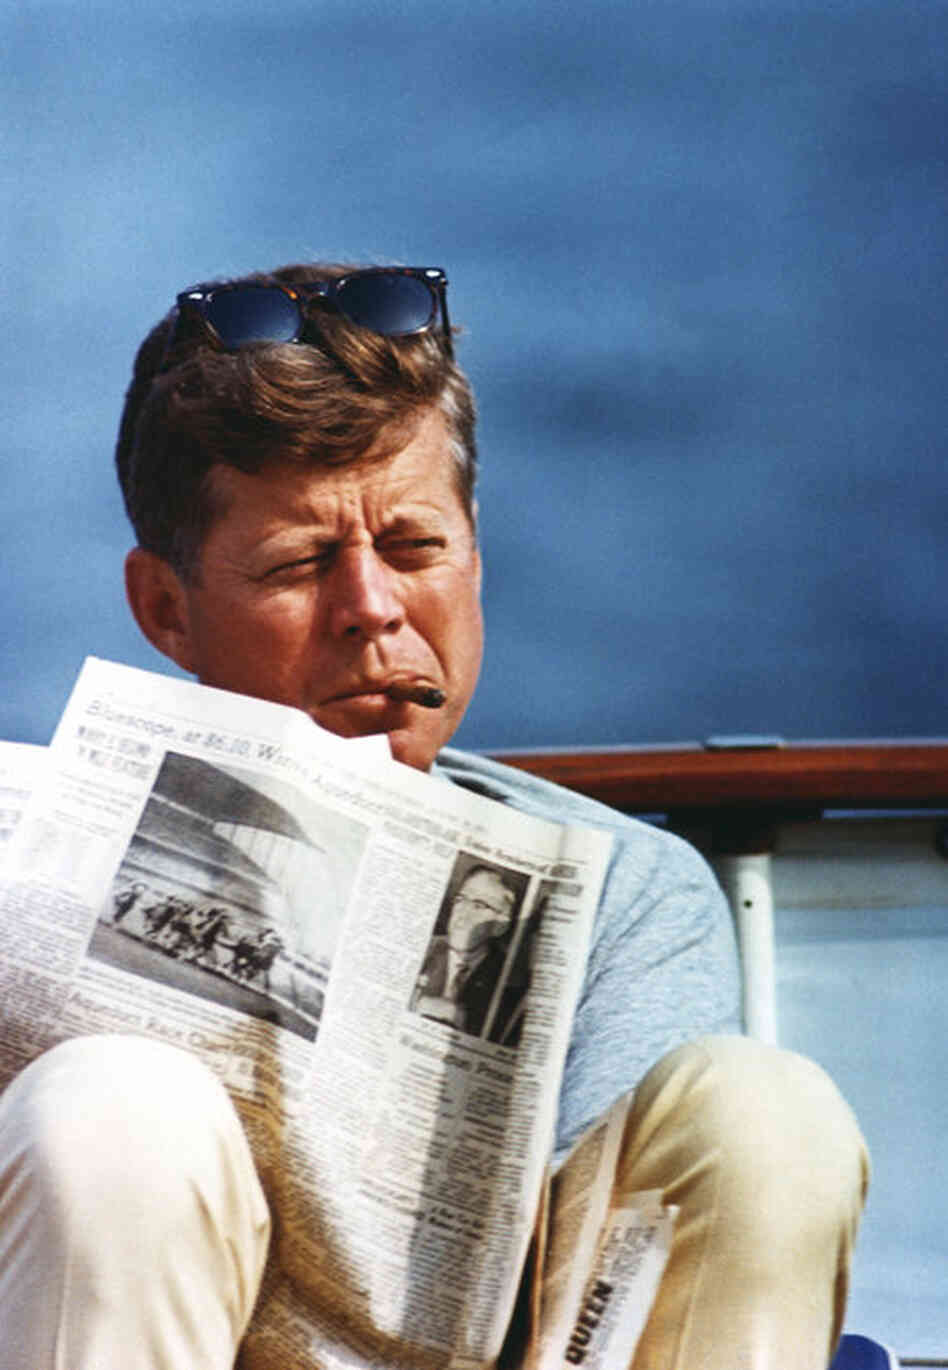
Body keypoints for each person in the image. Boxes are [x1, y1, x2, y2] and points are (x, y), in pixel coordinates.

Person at [0, 262, 869, 1370]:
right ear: (167, 608)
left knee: (765, 1112)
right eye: (302, 562)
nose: (372, 607)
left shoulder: (625, 893)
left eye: (415, 549)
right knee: (109, 1104)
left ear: (474, 557)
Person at [411, 862, 527, 1043]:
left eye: (479, 905)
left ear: (500, 925)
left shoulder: (510, 982)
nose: (462, 913)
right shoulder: (420, 947)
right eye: (460, 899)